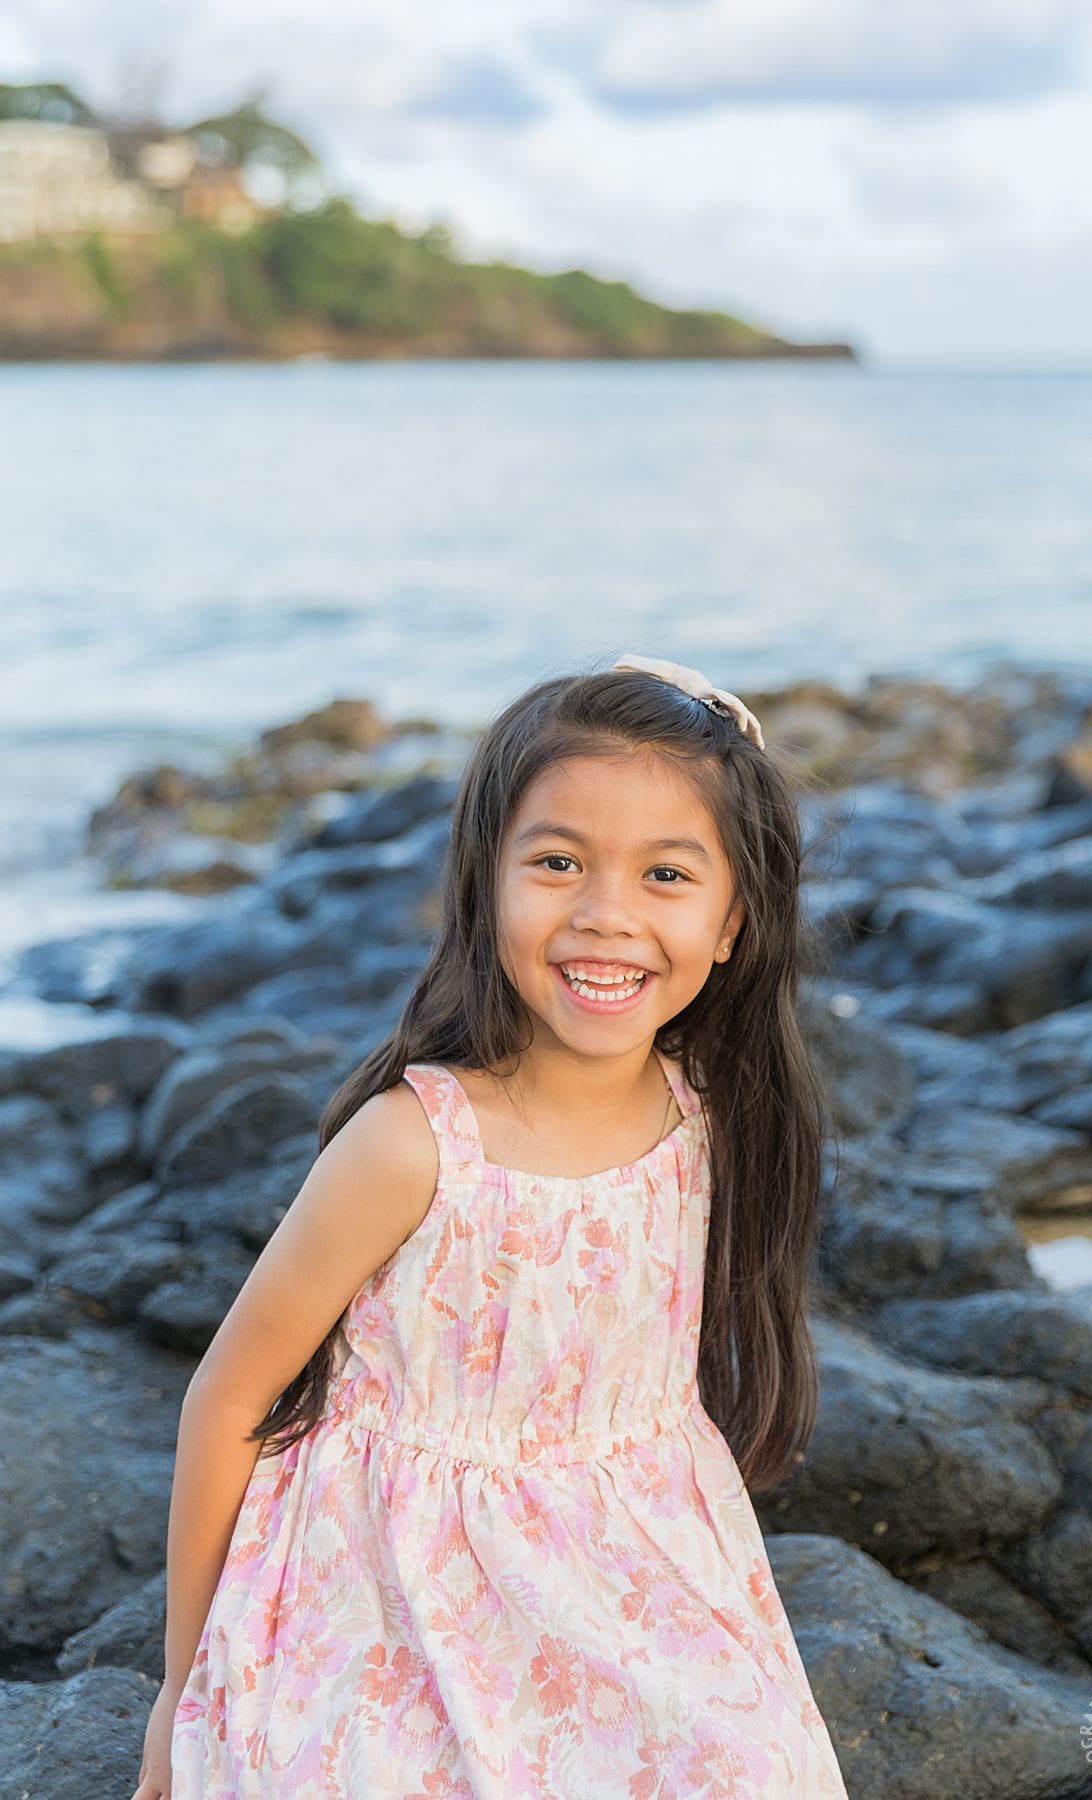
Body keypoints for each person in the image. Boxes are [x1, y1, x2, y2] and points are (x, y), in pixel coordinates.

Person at [136, 652, 849, 1798]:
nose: (605, 916)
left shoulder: (712, 1119)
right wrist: (184, 1683)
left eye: (667, 874)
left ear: (734, 924)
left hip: (635, 1565)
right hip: (394, 1584)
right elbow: (230, 1394)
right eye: (558, 862)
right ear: (486, 884)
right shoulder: (410, 1146)